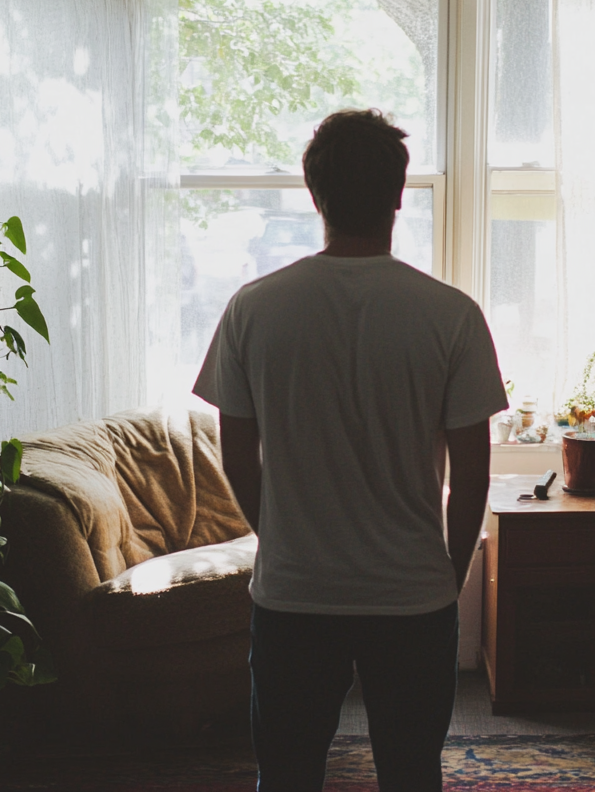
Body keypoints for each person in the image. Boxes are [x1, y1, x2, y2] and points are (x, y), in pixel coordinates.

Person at [193, 109, 507, 792]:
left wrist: (278, 536)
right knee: (411, 773)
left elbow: (237, 458)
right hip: (411, 593)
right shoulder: (451, 315)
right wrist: (446, 580)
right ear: (399, 194)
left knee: (287, 774)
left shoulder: (254, 308)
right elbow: (474, 478)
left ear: (316, 195)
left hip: (296, 591)